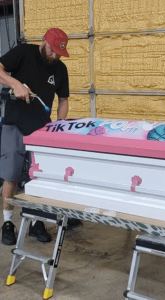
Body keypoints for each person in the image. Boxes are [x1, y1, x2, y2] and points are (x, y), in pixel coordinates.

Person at [0, 28, 70, 245]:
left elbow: (64, 100)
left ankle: (35, 221)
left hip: (42, 132)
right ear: (44, 42)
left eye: (59, 52)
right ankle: (7, 222)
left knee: (38, 178)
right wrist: (15, 83)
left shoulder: (60, 69)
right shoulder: (23, 53)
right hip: (16, 124)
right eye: (52, 50)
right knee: (11, 176)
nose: (55, 56)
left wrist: (58, 126)